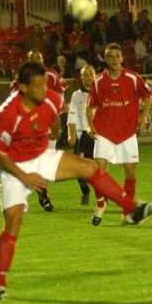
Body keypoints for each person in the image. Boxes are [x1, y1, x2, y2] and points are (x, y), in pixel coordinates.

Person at [0, 62, 152, 299]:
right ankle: (0, 284)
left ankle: (133, 210)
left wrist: (56, 130)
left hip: (40, 156)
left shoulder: (50, 98)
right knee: (13, 225)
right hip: (13, 167)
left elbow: (57, 114)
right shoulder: (9, 114)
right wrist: (25, 177)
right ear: (22, 88)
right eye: (37, 85)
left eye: (44, 83)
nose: (43, 89)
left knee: (90, 168)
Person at [87, 43, 152, 226]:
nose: (114, 59)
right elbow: (90, 105)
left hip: (127, 132)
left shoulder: (133, 78)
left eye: (117, 56)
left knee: (130, 172)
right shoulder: (98, 81)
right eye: (110, 56)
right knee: (99, 170)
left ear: (122, 58)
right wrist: (91, 125)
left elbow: (149, 95)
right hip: (105, 131)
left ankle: (127, 213)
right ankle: (101, 203)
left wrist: (143, 115)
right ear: (105, 59)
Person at [25, 51, 68, 212]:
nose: (37, 62)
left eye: (39, 59)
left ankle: (43, 194)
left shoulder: (52, 75)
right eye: (33, 59)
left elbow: (61, 91)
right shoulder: (22, 79)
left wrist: (59, 110)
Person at [67, 65, 96, 205]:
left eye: (90, 74)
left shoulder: (100, 93)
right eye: (85, 75)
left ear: (94, 76)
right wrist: (71, 134)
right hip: (82, 134)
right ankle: (85, 191)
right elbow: (71, 116)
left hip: (96, 135)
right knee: (78, 168)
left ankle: (102, 195)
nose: (87, 77)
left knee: (96, 168)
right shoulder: (76, 95)